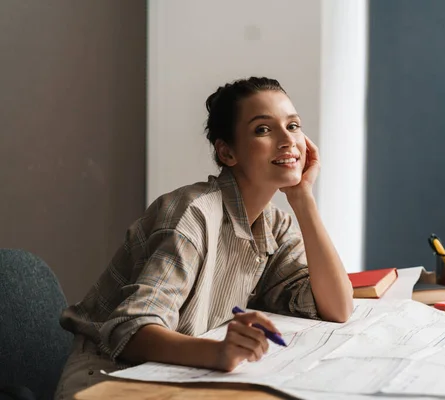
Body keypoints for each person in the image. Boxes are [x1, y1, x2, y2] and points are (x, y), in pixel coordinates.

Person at [53, 77, 354, 399]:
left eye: (293, 126)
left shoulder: (274, 224)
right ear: (226, 153)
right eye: (263, 130)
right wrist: (219, 353)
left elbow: (337, 308)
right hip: (111, 380)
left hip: (186, 375)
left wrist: (303, 199)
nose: (287, 141)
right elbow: (133, 332)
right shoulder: (192, 214)